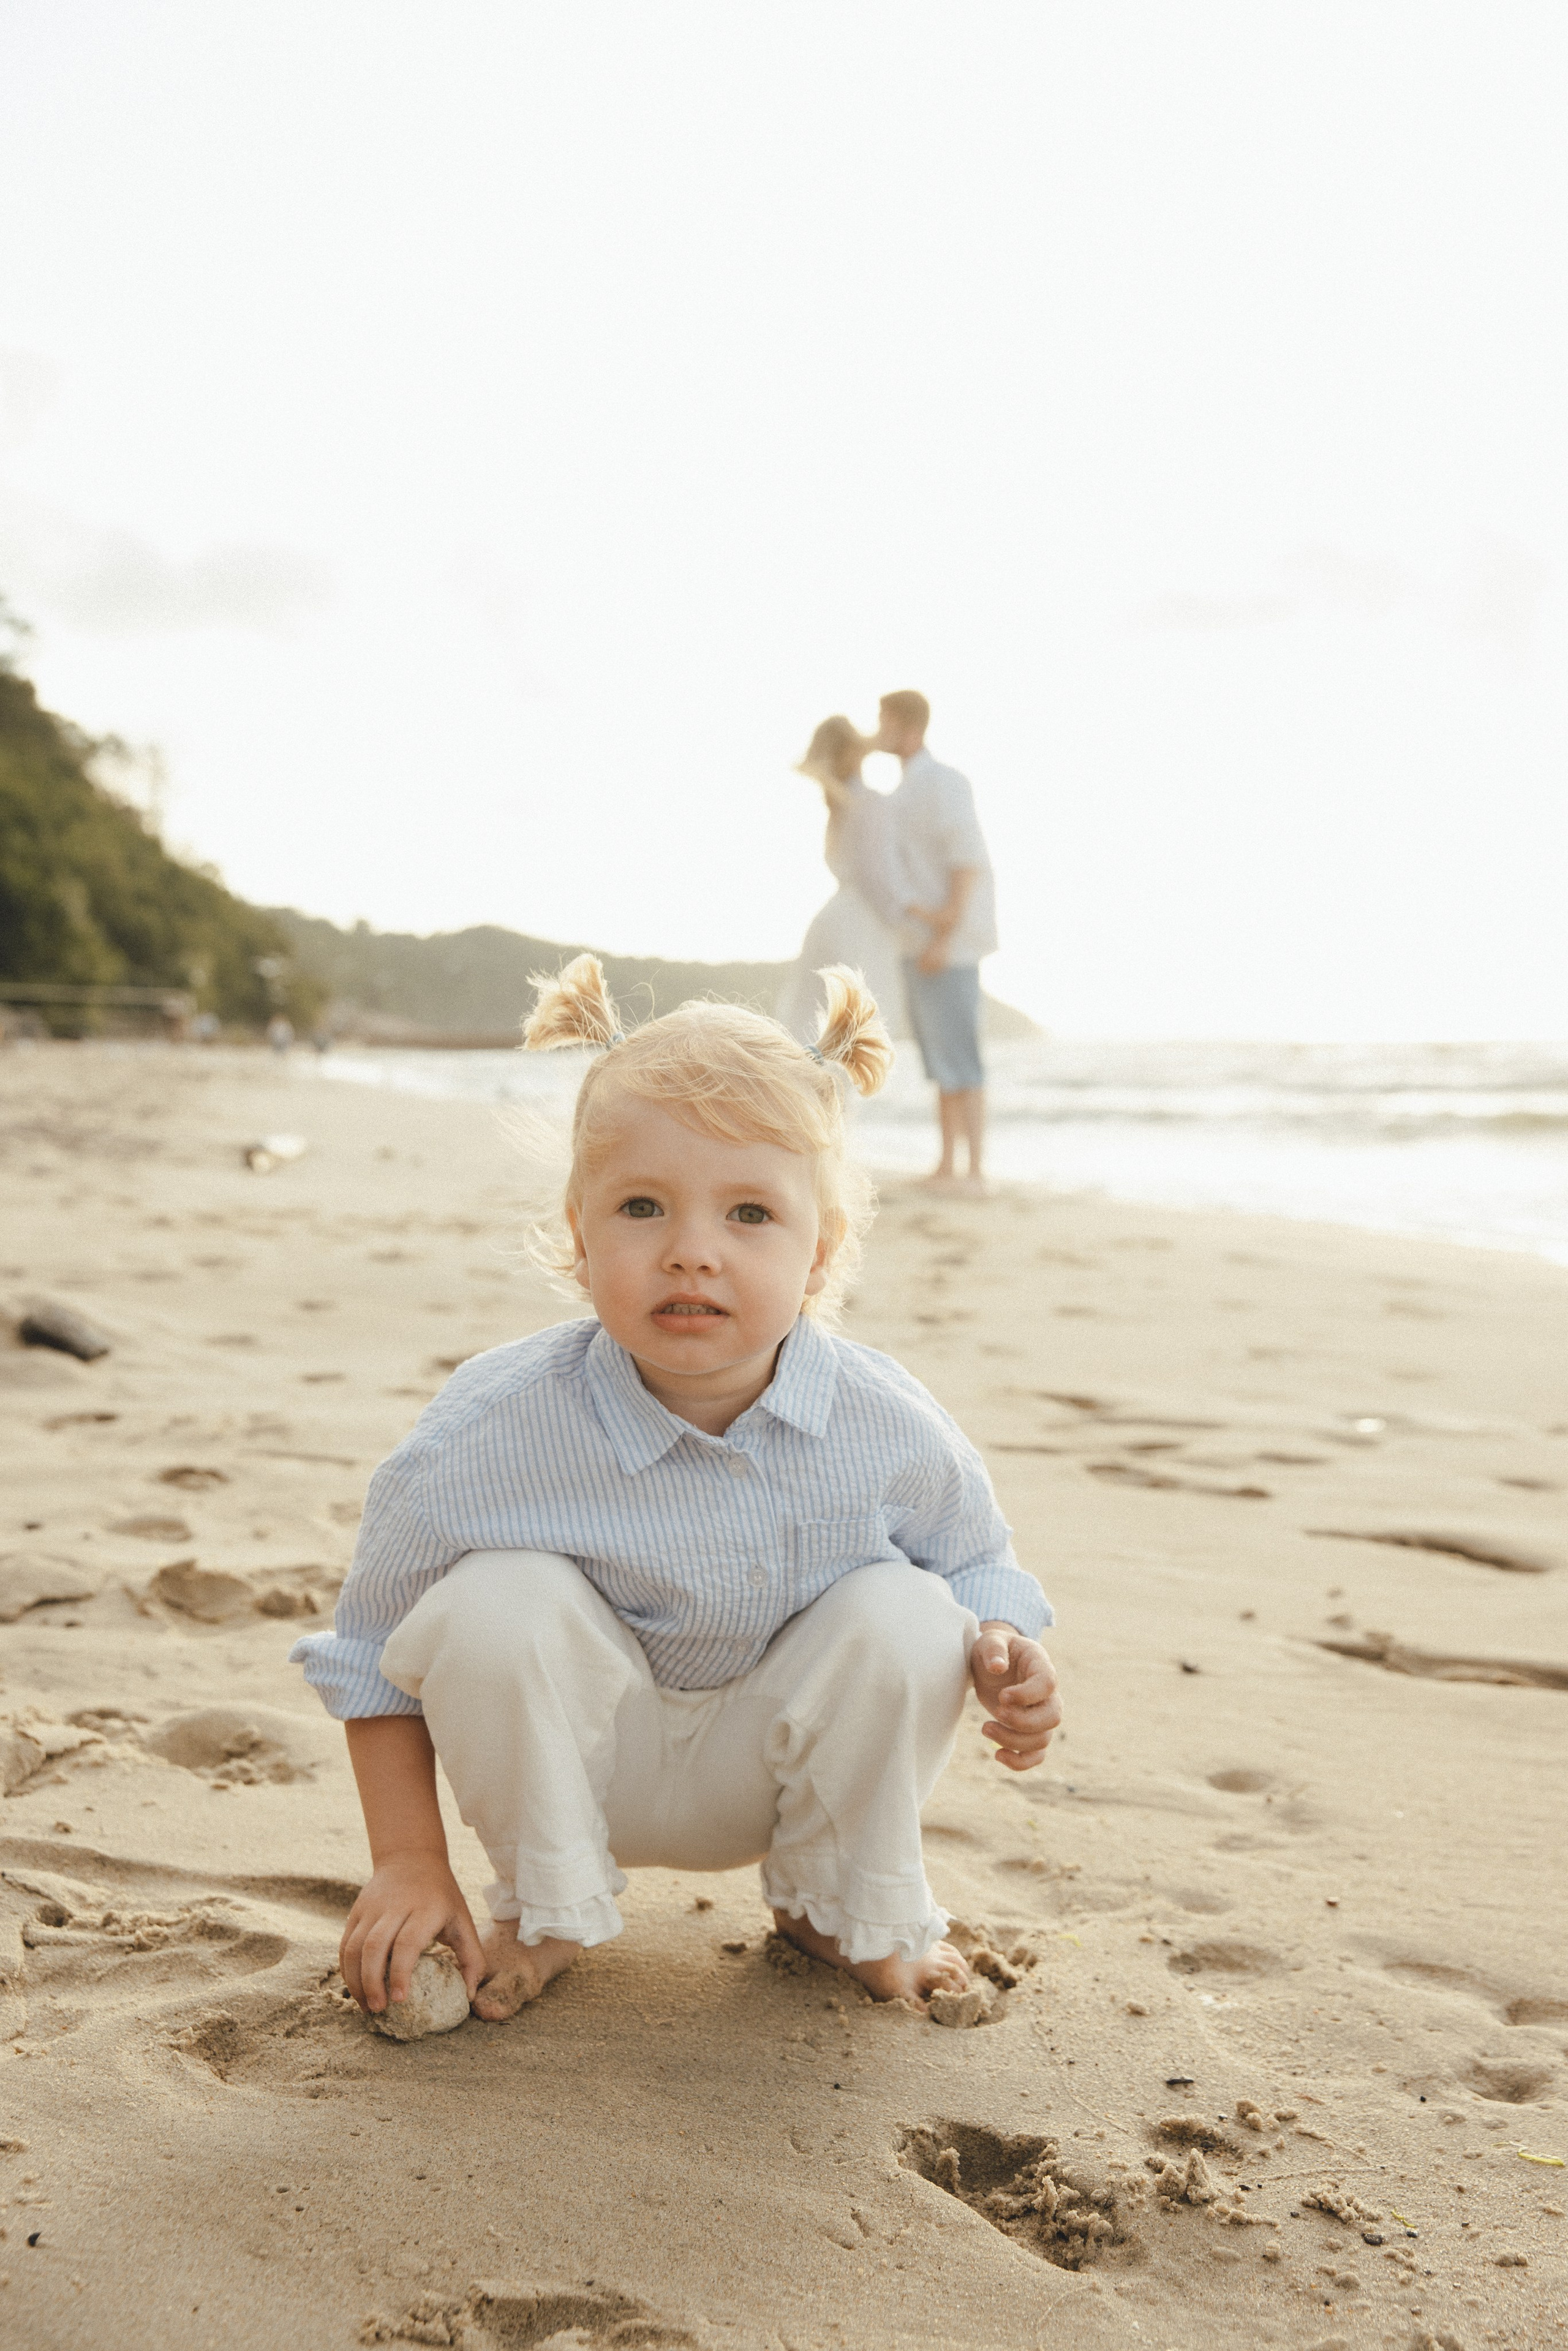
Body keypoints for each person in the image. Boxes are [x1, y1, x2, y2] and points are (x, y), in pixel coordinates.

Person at [292, 956, 1060, 2024]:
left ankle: (839, 1908)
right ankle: (549, 1907)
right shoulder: (492, 1426)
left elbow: (980, 1561)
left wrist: (1007, 1649)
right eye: (643, 1206)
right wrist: (410, 1859)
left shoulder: (883, 1420)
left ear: (820, 1251)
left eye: (750, 1213)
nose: (692, 1252)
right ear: (580, 1232)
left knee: (912, 1610)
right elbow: (374, 1646)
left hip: (784, 1768)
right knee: (490, 1601)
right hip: (582, 1773)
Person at [872, 690, 998, 1191]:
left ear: (909, 728)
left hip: (949, 945)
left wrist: (944, 934)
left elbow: (966, 860)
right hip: (916, 942)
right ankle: (948, 1165)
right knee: (940, 1060)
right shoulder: (903, 791)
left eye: (883, 722)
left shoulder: (943, 783)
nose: (877, 732)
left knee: (962, 1059)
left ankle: (975, 1170)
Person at [775, 716, 907, 1043]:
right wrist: (906, 924)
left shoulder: (840, 807)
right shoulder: (870, 803)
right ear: (851, 752)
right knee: (855, 1023)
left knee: (812, 1018)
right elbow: (876, 877)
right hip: (862, 923)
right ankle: (839, 1093)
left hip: (831, 919)